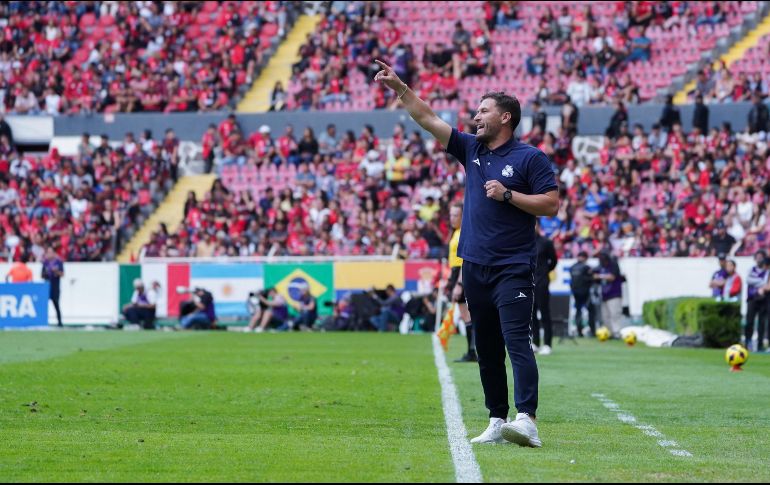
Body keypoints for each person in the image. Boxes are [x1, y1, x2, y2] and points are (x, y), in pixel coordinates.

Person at [374, 59, 558, 447]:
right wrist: (400, 89)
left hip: (512, 266)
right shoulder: (471, 148)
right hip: (475, 265)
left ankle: (527, 419)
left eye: (484, 110)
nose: (476, 116)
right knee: (486, 348)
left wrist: (509, 195)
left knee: (516, 342)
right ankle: (497, 419)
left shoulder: (530, 158)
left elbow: (550, 205)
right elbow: (427, 118)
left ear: (505, 117)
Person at [447, 202, 476, 363]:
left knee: (467, 315)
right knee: (466, 315)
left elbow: (464, 259)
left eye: (455, 215)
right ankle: (472, 351)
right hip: (456, 273)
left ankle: (472, 351)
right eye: (451, 215)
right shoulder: (457, 232)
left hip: (461, 273)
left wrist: (459, 283)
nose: (452, 218)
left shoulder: (463, 232)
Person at [532, 222, 557, 355]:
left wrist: (544, 271)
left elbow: (553, 261)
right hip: (528, 282)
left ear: (538, 226)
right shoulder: (524, 242)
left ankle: (547, 344)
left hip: (542, 282)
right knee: (531, 314)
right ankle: (535, 343)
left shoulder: (546, 242)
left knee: (545, 313)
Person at [594, 252, 623, 336]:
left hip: (614, 294)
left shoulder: (613, 265)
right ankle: (608, 333)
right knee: (605, 316)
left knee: (615, 314)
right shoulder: (601, 267)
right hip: (604, 295)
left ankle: (616, 333)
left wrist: (599, 276)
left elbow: (612, 277)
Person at [745, 251, 768, 351]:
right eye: (757, 257)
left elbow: (767, 284)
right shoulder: (752, 269)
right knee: (749, 321)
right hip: (752, 299)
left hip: (763, 299)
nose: (759, 259)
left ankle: (760, 344)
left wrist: (760, 284)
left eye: (761, 257)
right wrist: (761, 283)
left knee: (761, 323)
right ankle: (747, 342)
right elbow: (748, 280)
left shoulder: (767, 271)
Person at [569, 251, 596, 337]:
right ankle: (592, 331)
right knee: (591, 311)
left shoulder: (572, 267)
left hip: (576, 293)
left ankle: (579, 331)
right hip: (585, 292)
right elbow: (592, 278)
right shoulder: (586, 267)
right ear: (585, 258)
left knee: (578, 311)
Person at [41, 247, 64, 327]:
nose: (49, 254)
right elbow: (42, 275)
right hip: (47, 286)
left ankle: (60, 322)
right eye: (48, 252)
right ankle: (43, 321)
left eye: (51, 252)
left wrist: (56, 271)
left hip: (55, 286)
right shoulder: (45, 263)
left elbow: (62, 274)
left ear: (54, 253)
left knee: (56, 304)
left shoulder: (58, 262)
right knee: (44, 305)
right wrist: (47, 273)